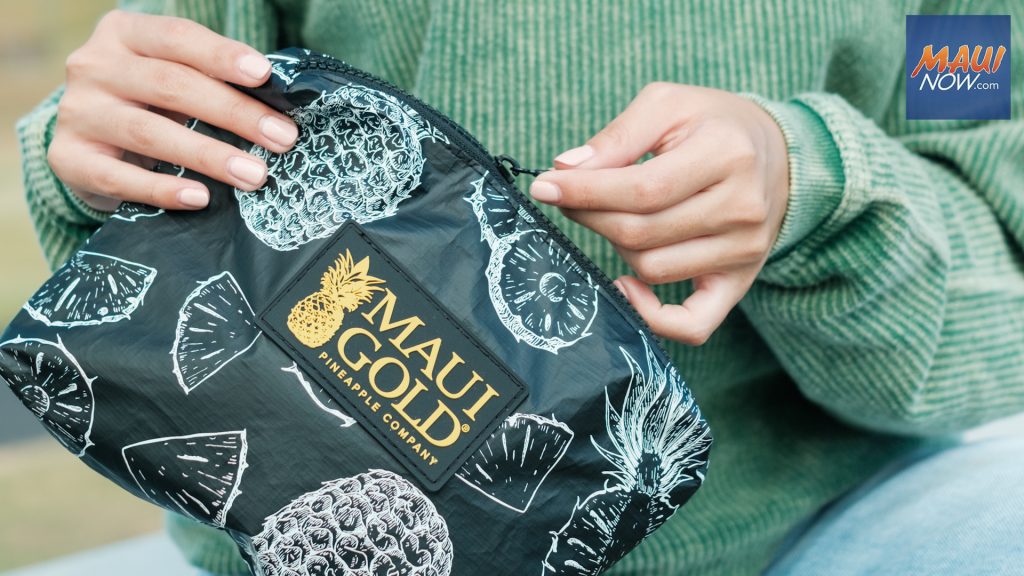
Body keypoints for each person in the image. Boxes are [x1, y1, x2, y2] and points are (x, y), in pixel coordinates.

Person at [16, 1, 1024, 575]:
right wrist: (103, 152)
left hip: (822, 532)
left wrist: (816, 181)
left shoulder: (961, 23)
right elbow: (168, 147)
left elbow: (994, 234)